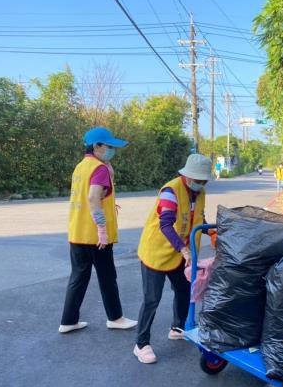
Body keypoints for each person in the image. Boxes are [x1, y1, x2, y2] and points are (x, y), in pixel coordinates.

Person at [134, 154, 214, 364]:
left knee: (184, 289)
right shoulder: (170, 191)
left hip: (182, 252)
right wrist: (184, 249)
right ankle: (141, 344)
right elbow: (166, 225)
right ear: (186, 176)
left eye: (203, 180)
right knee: (152, 299)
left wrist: (211, 231)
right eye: (197, 180)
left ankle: (178, 327)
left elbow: (197, 216)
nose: (201, 184)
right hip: (158, 251)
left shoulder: (200, 192)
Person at [60, 127, 138, 333]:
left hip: (77, 232)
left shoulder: (81, 167)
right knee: (107, 277)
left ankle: (68, 321)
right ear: (97, 146)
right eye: (109, 146)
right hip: (96, 237)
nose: (112, 150)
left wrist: (107, 166)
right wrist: (102, 229)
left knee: (78, 276)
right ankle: (116, 318)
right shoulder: (99, 168)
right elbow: (94, 197)